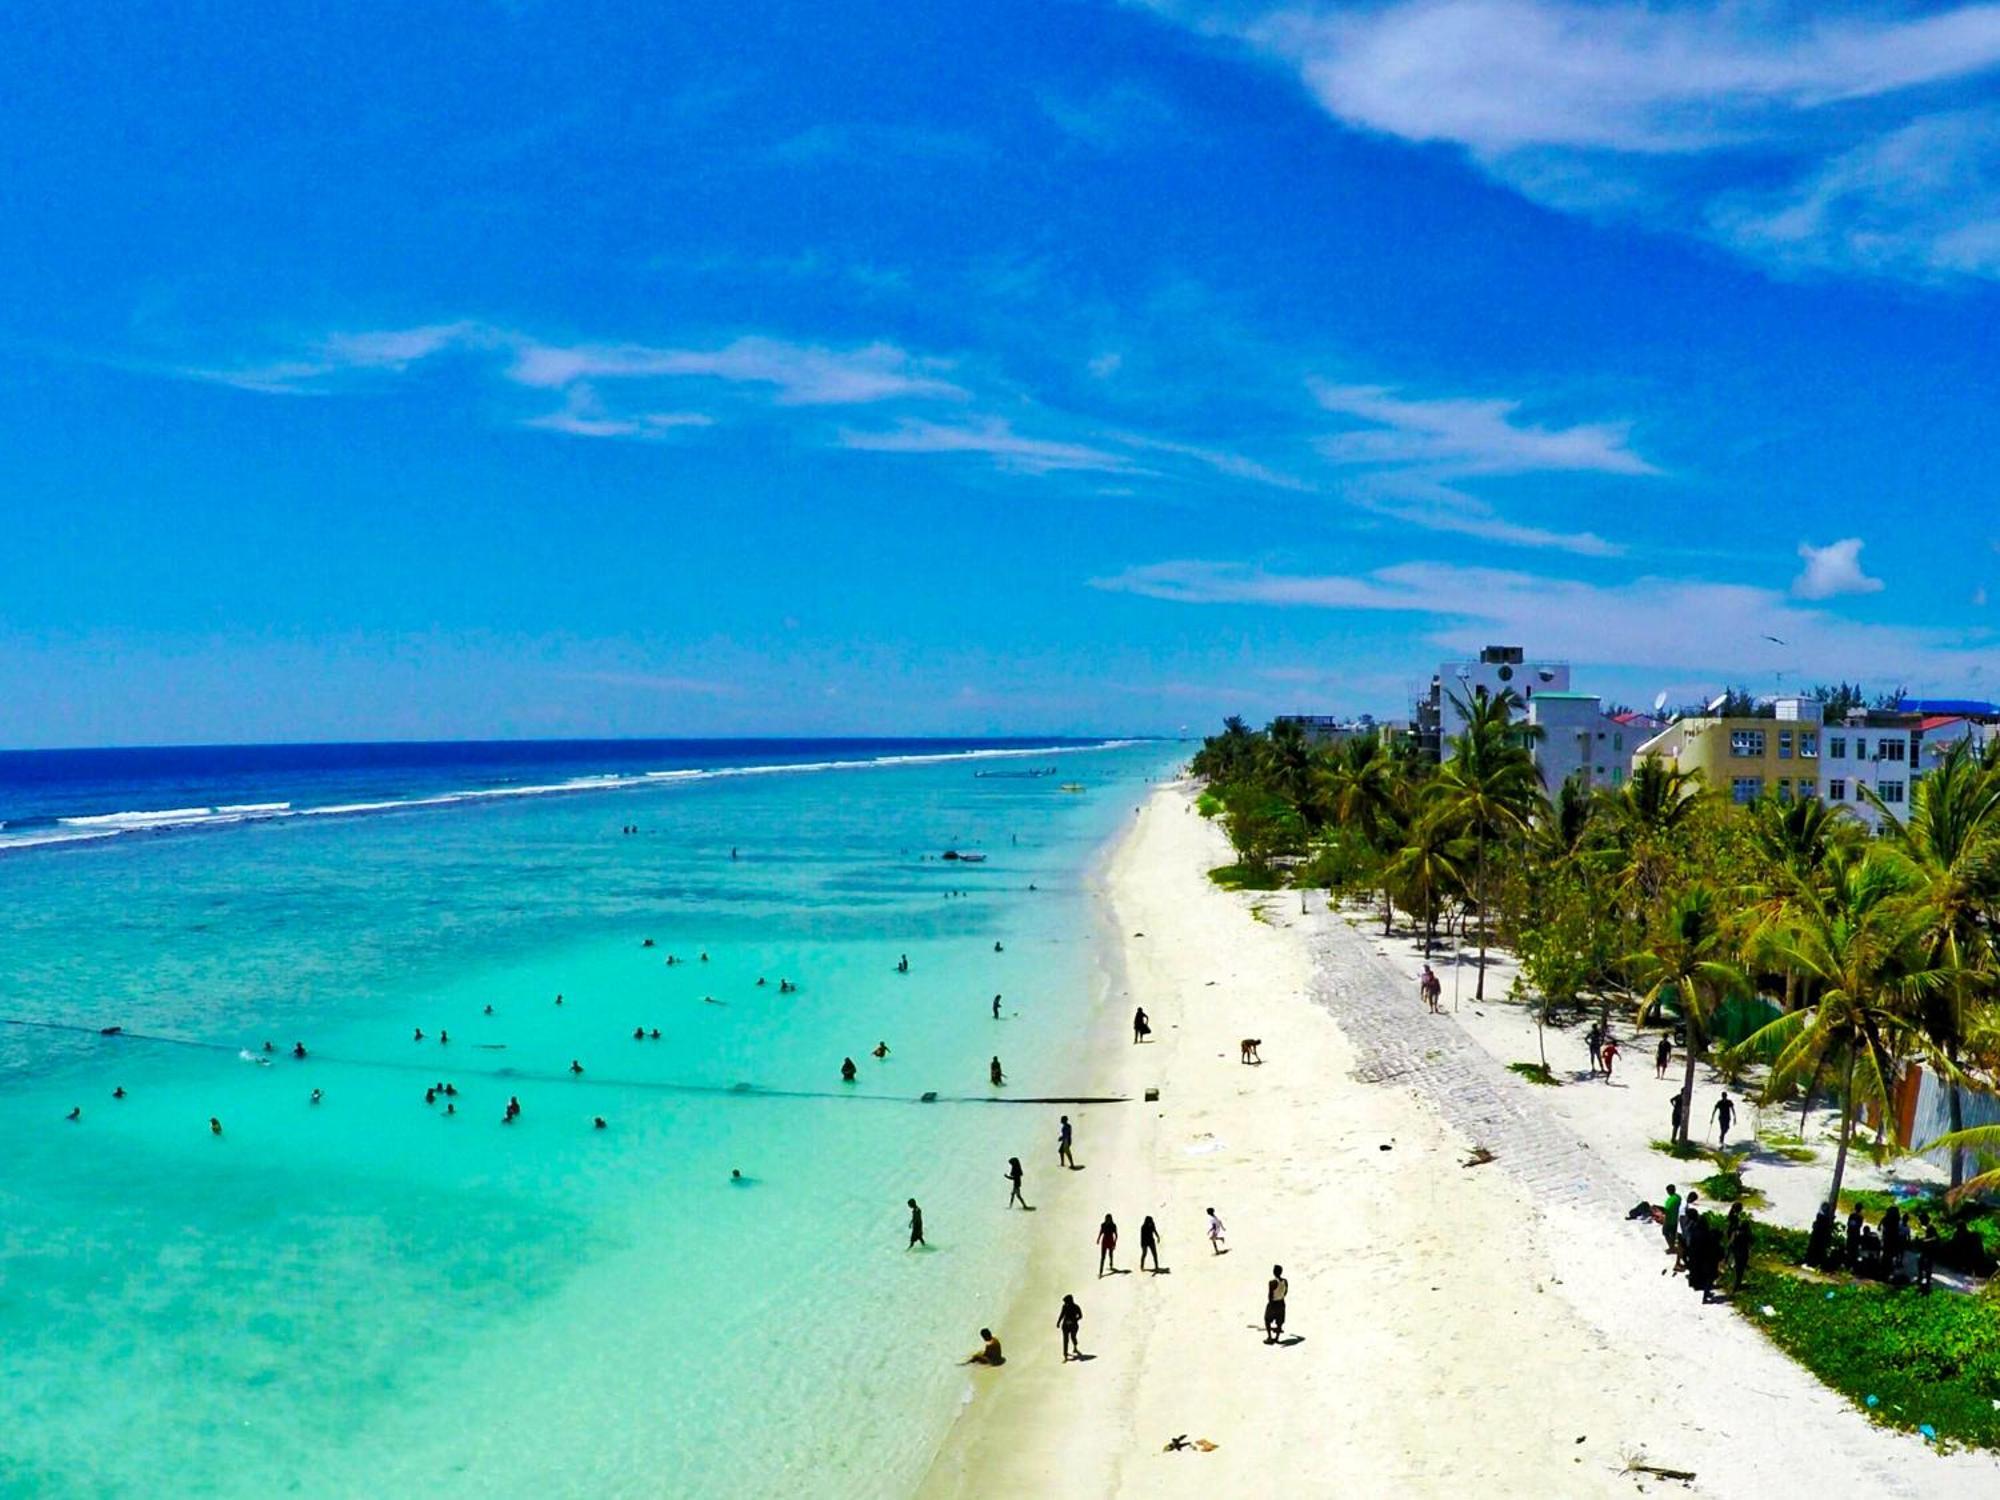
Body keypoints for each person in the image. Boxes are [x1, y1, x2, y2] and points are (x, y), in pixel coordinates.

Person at [1726, 1203, 1751, 1294]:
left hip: (1737, 1251)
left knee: (1737, 1268)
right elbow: (1750, 1243)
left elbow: (1731, 1243)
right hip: (1743, 1253)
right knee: (1740, 1270)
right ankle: (1736, 1286)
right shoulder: (1746, 1235)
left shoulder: (1736, 1233)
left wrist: (1727, 1256)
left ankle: (1735, 1285)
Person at [1806, 1201, 1836, 1268]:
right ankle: (1814, 1262)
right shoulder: (1825, 1219)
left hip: (1818, 1237)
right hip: (1819, 1237)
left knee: (1815, 1248)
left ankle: (1812, 1262)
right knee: (1817, 1249)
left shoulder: (1820, 1216)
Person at [1264, 1265, 1289, 1344]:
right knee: (1279, 1321)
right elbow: (1285, 1292)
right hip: (1281, 1302)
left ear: (1274, 1272)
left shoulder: (1272, 1282)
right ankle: (1277, 1338)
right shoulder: (1285, 1281)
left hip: (1274, 1303)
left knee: (1267, 1319)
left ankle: (1270, 1338)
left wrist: (1270, 1304)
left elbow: (1270, 1295)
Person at [1056, 1294, 1083, 1361]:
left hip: (1074, 1325)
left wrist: (1074, 1320)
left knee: (1073, 1337)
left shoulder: (1076, 1307)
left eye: (1066, 1302)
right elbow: (1061, 1314)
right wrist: (1058, 1322)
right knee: (1065, 1340)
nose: (1065, 1303)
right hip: (1065, 1325)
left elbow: (1080, 1316)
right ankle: (1065, 1354)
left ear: (1070, 1301)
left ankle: (1075, 1346)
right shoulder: (1064, 1307)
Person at [1661, 1184, 1682, 1257]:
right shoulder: (1678, 1197)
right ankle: (1672, 1246)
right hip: (1676, 1219)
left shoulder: (1670, 1201)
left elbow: (1666, 1210)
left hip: (1669, 1219)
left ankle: (1671, 1248)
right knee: (1673, 1234)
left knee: (1665, 1233)